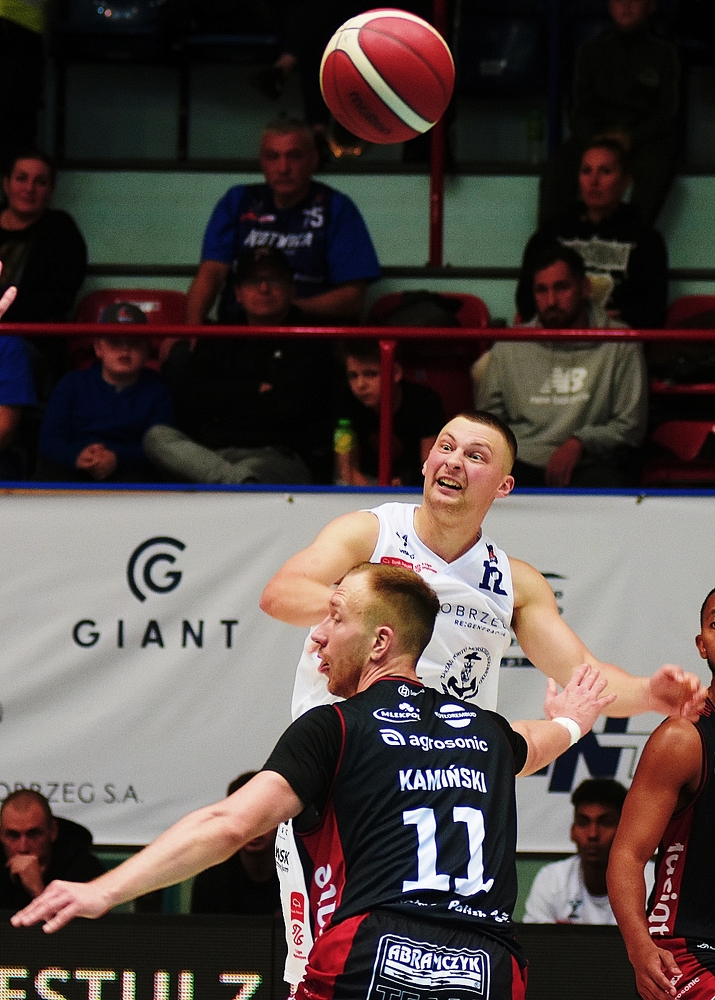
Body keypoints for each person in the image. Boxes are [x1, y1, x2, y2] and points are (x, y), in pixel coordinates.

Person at [11, 562, 615, 1000]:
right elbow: (535, 743)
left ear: (380, 642)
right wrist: (574, 721)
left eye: (335, 617)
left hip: (379, 952)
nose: (317, 634)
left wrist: (104, 890)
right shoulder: (485, 733)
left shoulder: (335, 726)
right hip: (489, 967)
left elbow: (229, 824)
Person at [607, 586, 715, 1000]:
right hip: (687, 951)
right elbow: (628, 855)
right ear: (702, 645)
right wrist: (640, 948)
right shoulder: (682, 739)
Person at [146, 248, 333, 484]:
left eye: (274, 280)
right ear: (238, 292)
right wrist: (254, 389)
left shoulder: (313, 339)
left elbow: (288, 410)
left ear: (291, 289)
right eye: (254, 281)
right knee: (156, 437)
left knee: (253, 469)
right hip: (212, 453)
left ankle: (231, 482)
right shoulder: (218, 336)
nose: (264, 288)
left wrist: (224, 400)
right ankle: (239, 483)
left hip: (277, 457)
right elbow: (193, 397)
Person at [474, 245, 648, 487]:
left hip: (592, 463)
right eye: (541, 290)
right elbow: (488, 422)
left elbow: (631, 426)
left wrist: (580, 442)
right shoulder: (509, 345)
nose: (551, 301)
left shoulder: (620, 341)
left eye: (562, 287)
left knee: (612, 484)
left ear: (584, 288)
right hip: (520, 460)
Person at [186, 119, 381, 325]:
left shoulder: (337, 207)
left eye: (294, 156)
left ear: (313, 159)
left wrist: (282, 308)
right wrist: (190, 330)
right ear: (261, 161)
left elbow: (353, 299)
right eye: (272, 157)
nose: (283, 168)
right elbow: (211, 273)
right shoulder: (237, 200)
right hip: (240, 331)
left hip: (310, 333)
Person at [538, 0, 679, 228]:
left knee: (658, 164)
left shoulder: (664, 54)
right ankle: (549, 242)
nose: (626, 5)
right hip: (595, 136)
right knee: (559, 166)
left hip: (641, 141)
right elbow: (578, 110)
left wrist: (631, 138)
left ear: (650, 6)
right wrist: (598, 140)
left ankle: (632, 238)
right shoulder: (591, 52)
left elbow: (666, 112)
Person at [517, 139, 669, 329]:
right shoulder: (551, 232)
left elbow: (653, 312)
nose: (594, 181)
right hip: (556, 333)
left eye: (605, 171)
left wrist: (609, 319)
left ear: (626, 181)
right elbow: (526, 300)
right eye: (586, 171)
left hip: (617, 337)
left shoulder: (647, 240)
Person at [37, 303, 174, 482]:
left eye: (134, 342)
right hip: (73, 469)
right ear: (98, 348)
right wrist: (77, 456)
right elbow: (49, 440)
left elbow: (161, 449)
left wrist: (118, 458)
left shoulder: (159, 391)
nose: (125, 350)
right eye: (114, 342)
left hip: (132, 473)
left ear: (147, 349)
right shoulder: (72, 384)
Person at [0, 151, 87, 396]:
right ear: (6, 184)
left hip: (32, 342)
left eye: (40, 182)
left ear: (50, 191)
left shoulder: (61, 231)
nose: (29, 188)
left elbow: (58, 300)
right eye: (21, 178)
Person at [524, 778, 654, 924]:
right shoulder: (552, 879)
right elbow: (533, 937)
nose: (593, 834)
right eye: (583, 822)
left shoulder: (652, 881)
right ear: (572, 831)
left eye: (605, 823)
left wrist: (566, 936)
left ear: (626, 831)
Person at [335, 339, 445, 487]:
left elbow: (430, 465)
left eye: (370, 374)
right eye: (353, 376)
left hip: (413, 485)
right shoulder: (347, 400)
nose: (360, 385)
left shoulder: (424, 401)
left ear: (395, 372)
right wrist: (372, 492)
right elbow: (346, 468)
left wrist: (404, 483)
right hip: (366, 484)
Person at [0, 789, 104, 914]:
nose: (23, 848)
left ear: (53, 831)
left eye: (34, 834)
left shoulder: (84, 868)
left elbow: (82, 926)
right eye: (13, 836)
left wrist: (37, 889)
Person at [191, 772, 281, 916]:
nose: (254, 829)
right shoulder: (211, 879)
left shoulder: (298, 874)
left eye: (263, 817)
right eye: (243, 818)